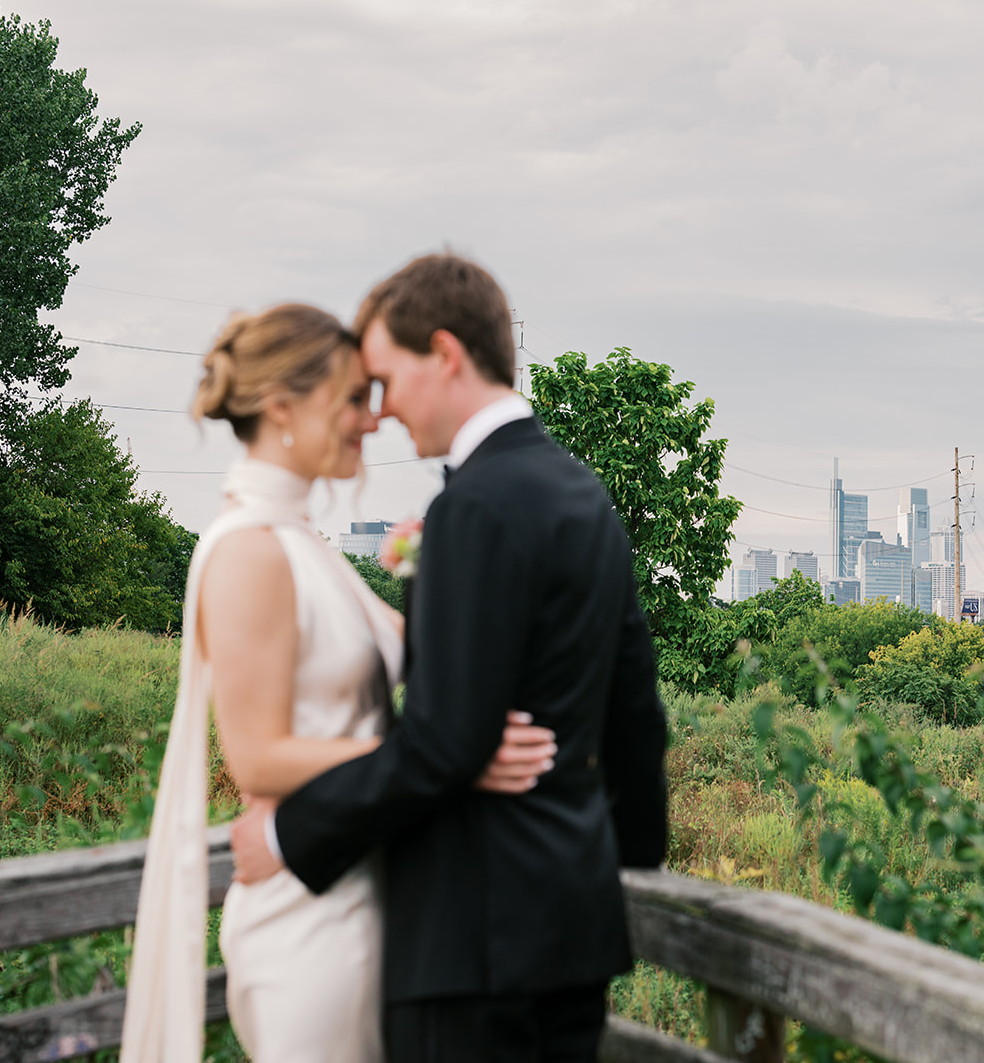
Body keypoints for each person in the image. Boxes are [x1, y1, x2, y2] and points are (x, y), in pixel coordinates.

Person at [229, 253, 670, 1063]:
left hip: (472, 946)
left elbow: (446, 744)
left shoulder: (473, 506)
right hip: (572, 937)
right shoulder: (583, 494)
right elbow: (638, 716)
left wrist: (293, 833)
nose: (384, 408)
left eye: (389, 378)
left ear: (445, 352)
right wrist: (623, 861)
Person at [120, 304, 557, 1063]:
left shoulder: (303, 546)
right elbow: (256, 757)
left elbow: (429, 660)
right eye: (353, 398)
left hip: (363, 885)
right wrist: (457, 758)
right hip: (308, 919)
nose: (372, 418)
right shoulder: (250, 552)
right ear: (283, 406)